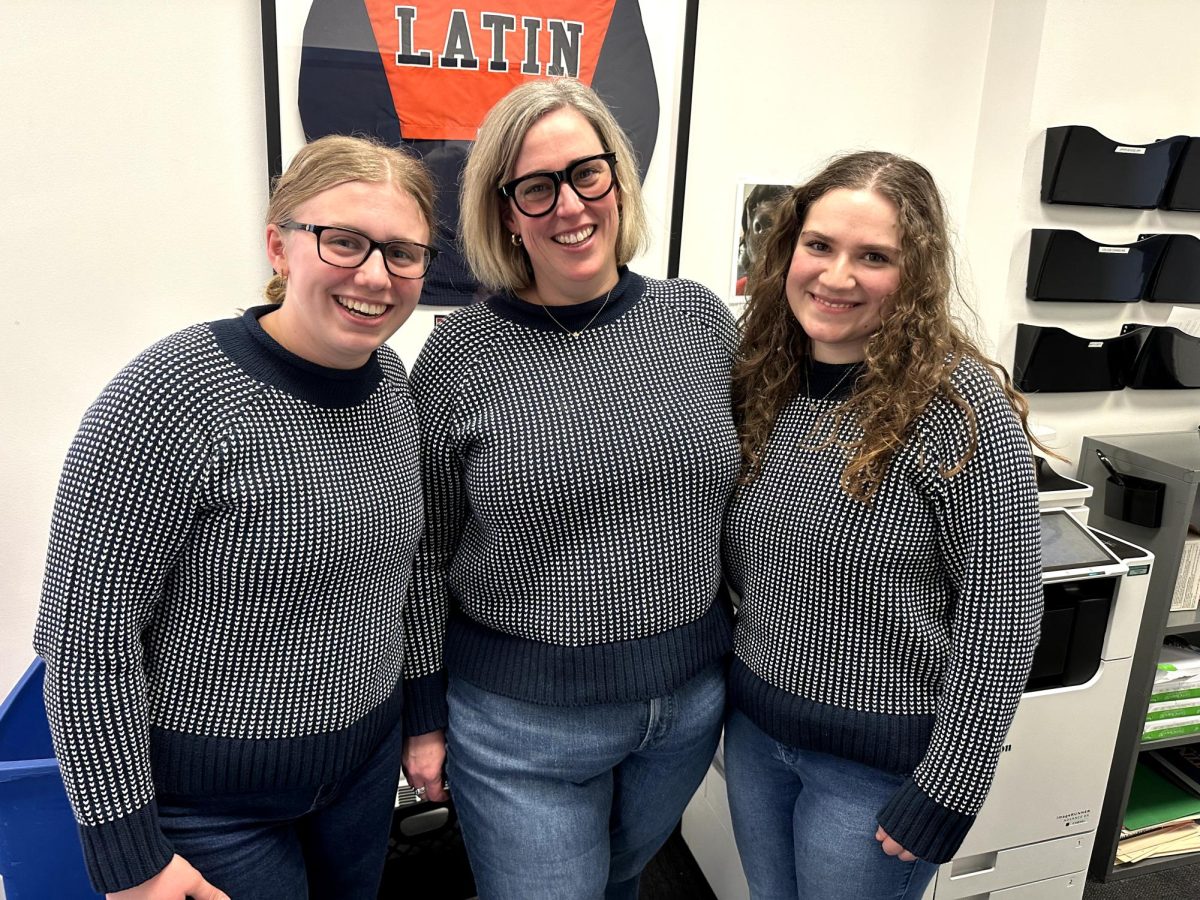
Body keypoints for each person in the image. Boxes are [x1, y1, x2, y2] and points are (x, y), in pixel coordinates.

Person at [33, 134, 437, 900]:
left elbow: (407, 571)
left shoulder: (390, 384)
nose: (375, 275)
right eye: (343, 241)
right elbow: (85, 640)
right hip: (211, 812)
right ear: (278, 245)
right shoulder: (169, 397)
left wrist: (419, 716)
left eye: (402, 252)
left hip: (360, 779)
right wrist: (130, 857)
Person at [399, 77, 739, 900]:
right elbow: (422, 554)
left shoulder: (698, 321)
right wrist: (422, 716)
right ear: (506, 212)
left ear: (617, 179)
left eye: (586, 174)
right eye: (536, 188)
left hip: (687, 708)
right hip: (520, 726)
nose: (569, 206)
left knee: (619, 888)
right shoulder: (458, 359)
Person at [722, 151, 1044, 900]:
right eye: (820, 246)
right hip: (758, 742)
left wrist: (952, 786)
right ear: (788, 250)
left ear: (916, 273)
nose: (838, 277)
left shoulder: (957, 406)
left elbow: (1005, 615)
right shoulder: (766, 379)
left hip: (875, 772)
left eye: (874, 257)